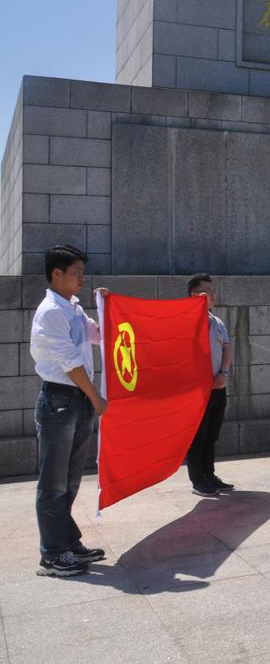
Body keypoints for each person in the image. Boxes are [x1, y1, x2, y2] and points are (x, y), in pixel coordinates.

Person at [29, 245, 108, 577]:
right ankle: (52, 555)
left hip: (78, 400)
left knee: (70, 479)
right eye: (76, 272)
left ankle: (66, 542)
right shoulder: (51, 311)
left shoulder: (73, 308)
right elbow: (70, 364)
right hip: (60, 400)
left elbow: (98, 335)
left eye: (82, 272)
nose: (81, 278)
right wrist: (96, 398)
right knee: (53, 483)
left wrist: (108, 309)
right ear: (56, 274)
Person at [184, 274, 234, 497]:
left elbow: (227, 348)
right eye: (207, 290)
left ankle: (209, 475)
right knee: (198, 436)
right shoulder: (187, 321)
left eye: (212, 290)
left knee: (212, 434)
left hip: (218, 385)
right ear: (195, 295)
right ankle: (198, 480)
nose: (213, 294)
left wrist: (224, 372)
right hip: (197, 390)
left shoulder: (217, 321)